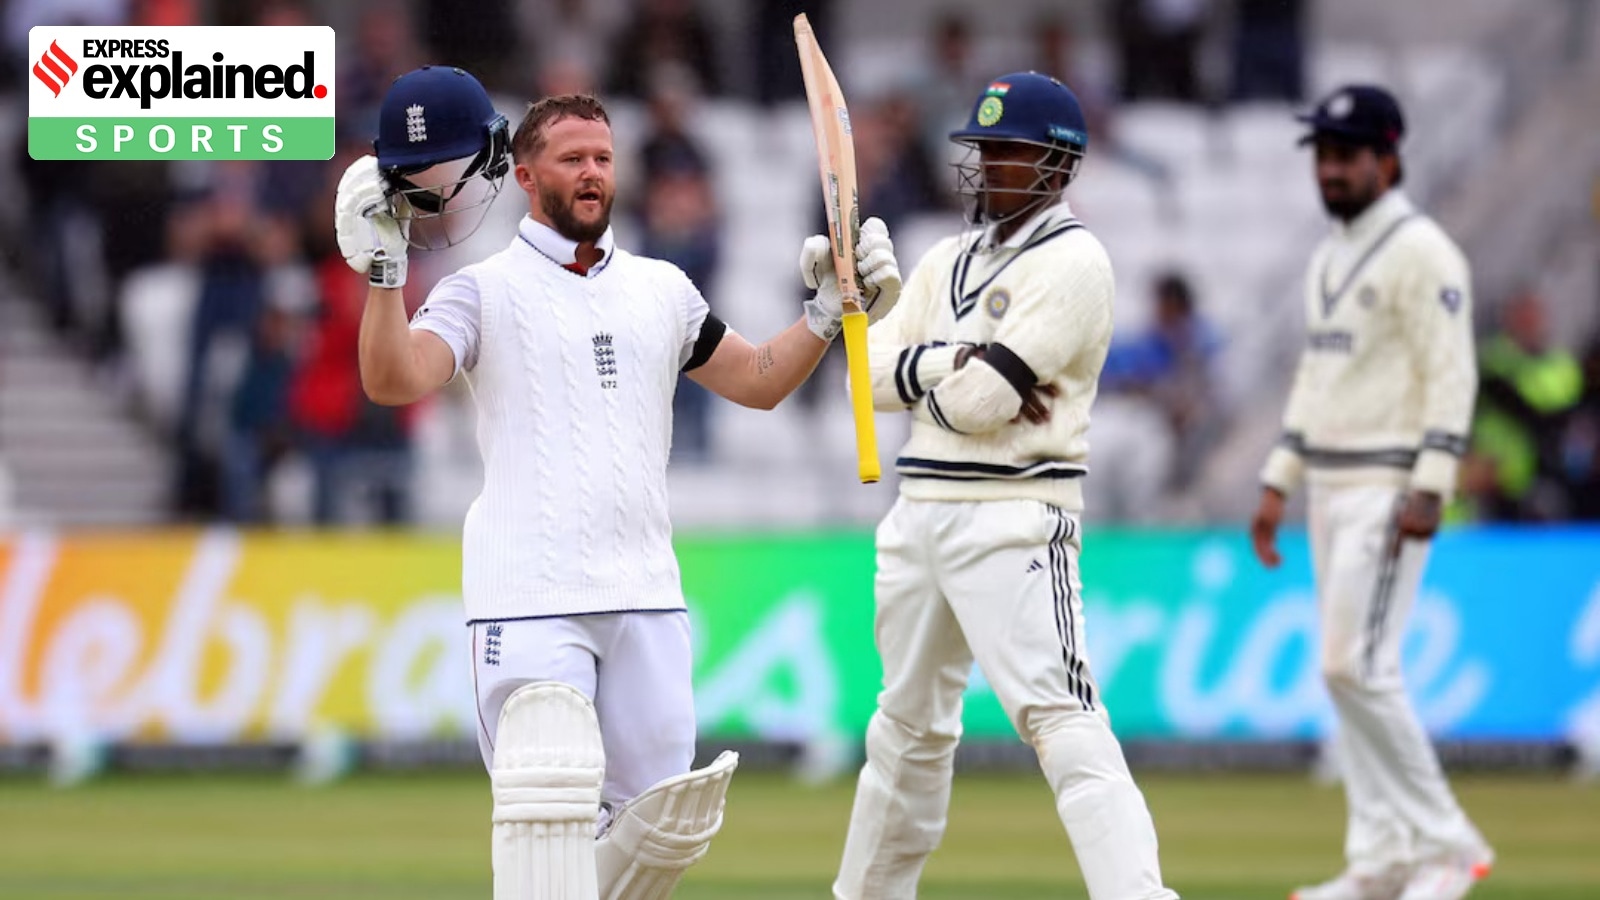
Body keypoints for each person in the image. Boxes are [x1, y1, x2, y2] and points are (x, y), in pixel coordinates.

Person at [333, 67, 902, 899]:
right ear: (525, 177)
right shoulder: (481, 291)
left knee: (658, 837)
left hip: (646, 595)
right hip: (528, 597)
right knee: (548, 809)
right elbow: (393, 378)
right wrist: (384, 276)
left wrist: (823, 312)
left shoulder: (662, 289)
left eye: (602, 156)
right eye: (570, 159)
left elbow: (757, 381)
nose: (592, 172)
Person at [831, 71, 1178, 900]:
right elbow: (861, 377)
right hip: (918, 515)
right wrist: (931, 349)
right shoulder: (944, 256)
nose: (986, 166)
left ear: (1058, 167)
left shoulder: (1077, 259)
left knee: (1061, 721)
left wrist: (922, 368)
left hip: (1015, 516)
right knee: (906, 730)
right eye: (981, 149)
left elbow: (982, 404)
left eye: (1008, 151)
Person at [1248, 84, 1494, 900]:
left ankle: (1447, 845)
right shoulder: (1329, 255)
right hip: (1330, 483)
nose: (1330, 170)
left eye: (1346, 155)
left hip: (1391, 483)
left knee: (1361, 666)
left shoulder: (1425, 251)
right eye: (1322, 155)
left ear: (1388, 159)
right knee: (1342, 669)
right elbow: (1317, 377)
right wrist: (1279, 478)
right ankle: (1384, 859)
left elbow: (1451, 373)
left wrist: (1432, 483)